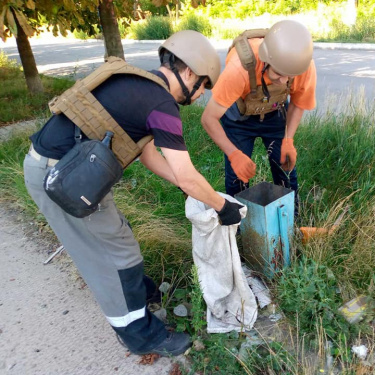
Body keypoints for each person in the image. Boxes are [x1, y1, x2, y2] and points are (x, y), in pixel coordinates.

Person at [23, 30, 242, 357]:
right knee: (113, 256)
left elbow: (150, 156)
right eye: (202, 88)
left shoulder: (139, 83)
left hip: (72, 170)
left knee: (118, 237)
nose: (199, 97)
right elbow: (185, 172)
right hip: (62, 179)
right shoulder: (161, 105)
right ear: (190, 74)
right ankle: (141, 335)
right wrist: (221, 204)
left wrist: (193, 191)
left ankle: (138, 293)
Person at [201, 20, 317, 214]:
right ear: (265, 62)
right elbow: (208, 118)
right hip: (239, 118)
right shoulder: (239, 69)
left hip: (275, 113)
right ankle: (239, 226)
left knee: (285, 168)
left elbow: (297, 103)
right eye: (279, 74)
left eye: (290, 77)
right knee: (237, 177)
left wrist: (288, 139)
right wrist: (234, 154)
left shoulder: (302, 66)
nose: (284, 81)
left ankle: (291, 220)